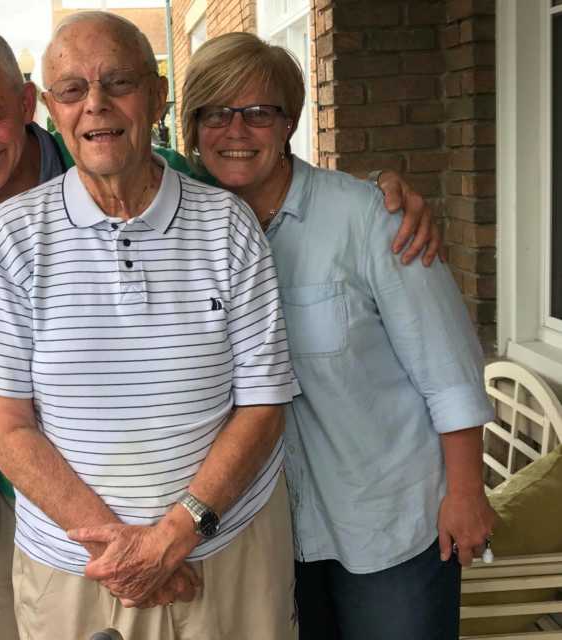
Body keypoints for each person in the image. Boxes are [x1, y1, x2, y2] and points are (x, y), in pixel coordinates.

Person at [0, 21, 438, 640]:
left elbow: (257, 182)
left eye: (117, 83)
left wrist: (374, 192)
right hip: (34, 525)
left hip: (220, 536)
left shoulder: (213, 211)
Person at [0, 12, 301, 639]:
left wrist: (175, 534)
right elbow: (6, 428)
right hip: (79, 570)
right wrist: (126, 559)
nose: (97, 105)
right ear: (50, 111)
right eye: (72, 90)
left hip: (230, 550)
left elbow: (263, 404)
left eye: (118, 83)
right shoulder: (9, 240)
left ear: (158, 95)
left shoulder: (226, 224)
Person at [181, 32, 496, 640]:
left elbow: (449, 369)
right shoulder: (187, 232)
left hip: (389, 523)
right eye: (216, 113)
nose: (236, 131)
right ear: (193, 128)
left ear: (290, 121)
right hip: (266, 532)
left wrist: (466, 492)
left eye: (258, 112)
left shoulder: (369, 218)